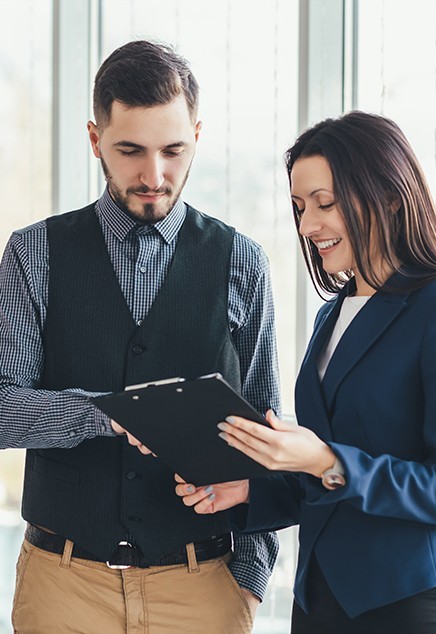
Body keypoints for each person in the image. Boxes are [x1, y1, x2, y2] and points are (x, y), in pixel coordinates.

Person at [0, 40, 280, 634]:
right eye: (130, 150)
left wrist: (250, 582)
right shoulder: (33, 254)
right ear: (95, 138)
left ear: (197, 137)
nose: (154, 175)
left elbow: (270, 428)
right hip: (63, 589)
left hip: (203, 586)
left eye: (173, 150)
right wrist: (109, 415)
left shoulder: (242, 262)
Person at [176, 111, 436, 634]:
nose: (307, 225)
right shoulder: (332, 314)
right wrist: (251, 490)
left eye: (326, 203)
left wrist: (321, 457)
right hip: (320, 601)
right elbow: (329, 477)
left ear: (389, 197)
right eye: (299, 207)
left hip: (411, 602)